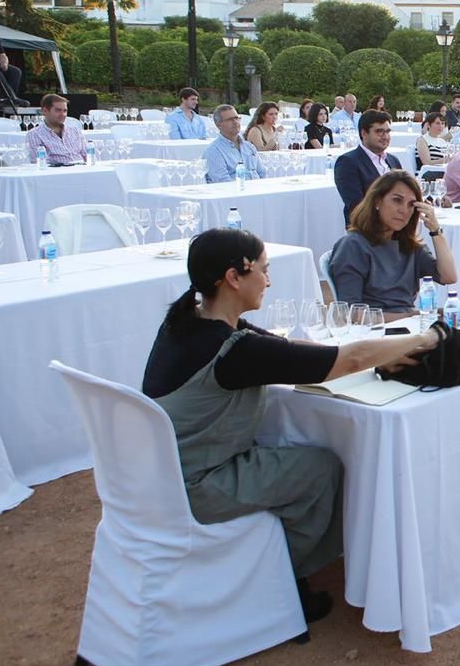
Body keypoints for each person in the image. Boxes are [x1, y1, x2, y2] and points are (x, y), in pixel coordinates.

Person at [141, 227, 439, 621]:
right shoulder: (233, 350)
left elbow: (301, 352)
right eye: (263, 270)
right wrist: (428, 338)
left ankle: (267, 558)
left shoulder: (188, 322)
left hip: (156, 476)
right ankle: (278, 580)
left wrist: (377, 356)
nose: (269, 280)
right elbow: (345, 361)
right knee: (322, 468)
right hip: (198, 485)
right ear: (234, 277)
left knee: (289, 455)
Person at [328, 171, 457, 314]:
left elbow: (448, 276)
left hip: (411, 324)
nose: (404, 210)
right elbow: (351, 314)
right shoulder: (353, 246)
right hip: (374, 330)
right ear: (377, 201)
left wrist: (435, 230)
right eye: (397, 200)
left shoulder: (409, 245)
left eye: (411, 205)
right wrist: (411, 316)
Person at [333, 111, 401, 221]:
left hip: (397, 227)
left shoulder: (393, 160)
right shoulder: (348, 162)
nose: (385, 137)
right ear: (364, 133)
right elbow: (356, 206)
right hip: (366, 230)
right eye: (379, 132)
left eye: (388, 132)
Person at [204, 104, 267, 184]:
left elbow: (262, 173)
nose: (235, 122)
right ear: (218, 124)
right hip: (233, 194)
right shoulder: (213, 151)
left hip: (257, 191)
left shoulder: (249, 147)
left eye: (237, 118)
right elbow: (222, 182)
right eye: (230, 119)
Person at [25, 93, 87, 166]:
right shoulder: (35, 135)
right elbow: (39, 163)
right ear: (45, 111)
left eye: (65, 111)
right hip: (56, 174)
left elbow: (88, 155)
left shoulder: (75, 130)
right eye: (58, 110)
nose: (63, 114)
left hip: (82, 171)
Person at [416, 111, 451, 176]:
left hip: (445, 172)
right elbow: (426, 162)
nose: (441, 126)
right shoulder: (422, 140)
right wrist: (446, 160)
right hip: (429, 173)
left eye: (443, 123)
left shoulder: (443, 142)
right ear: (429, 125)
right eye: (437, 123)